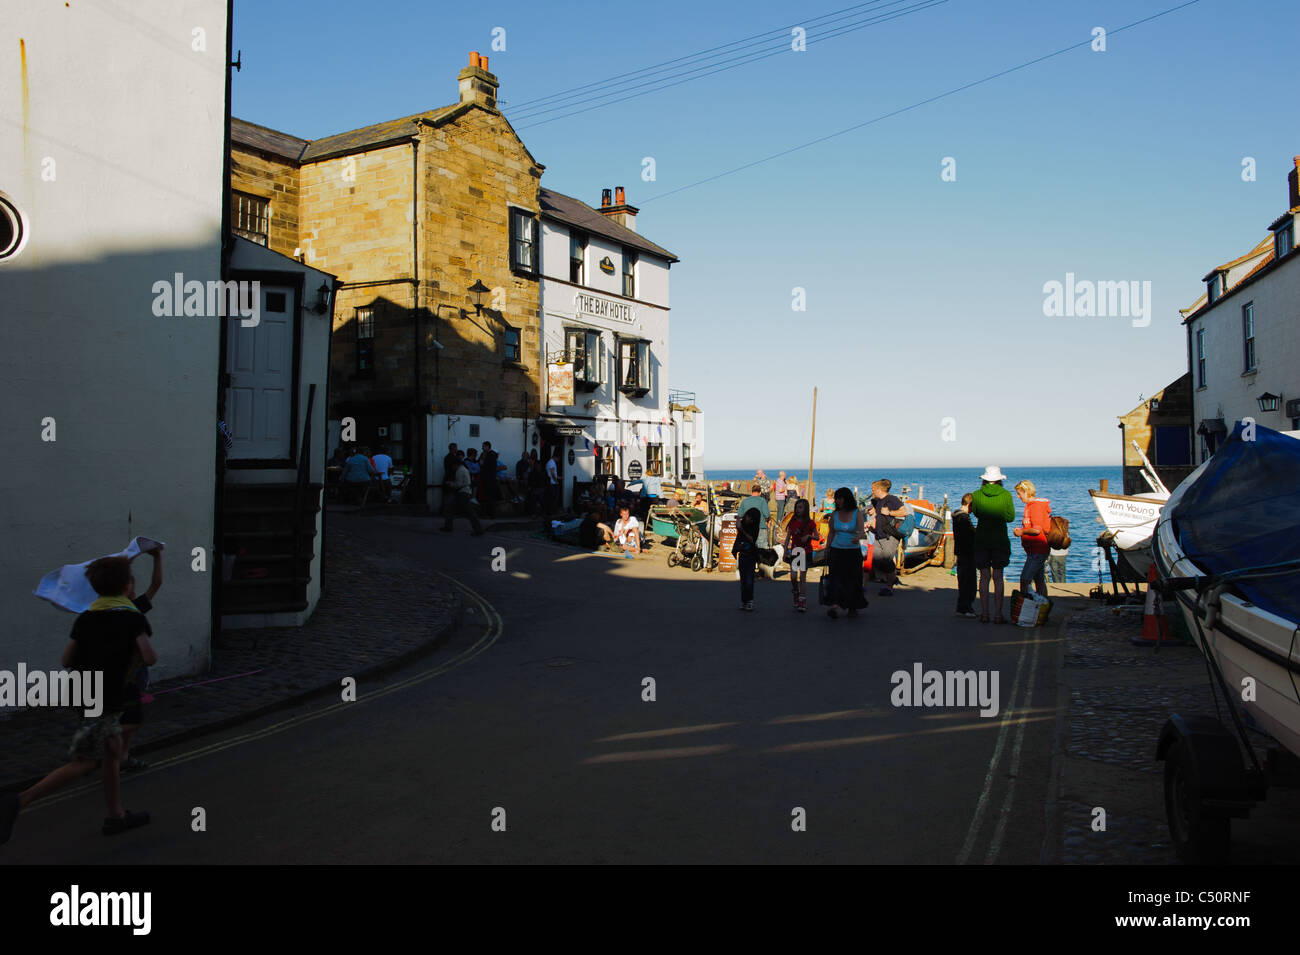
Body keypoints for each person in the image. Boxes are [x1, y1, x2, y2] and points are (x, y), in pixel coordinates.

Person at [1, 556, 158, 844]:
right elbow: (149, 656)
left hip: (83, 692)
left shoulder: (86, 617)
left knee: (110, 754)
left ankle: (116, 816)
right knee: (86, 761)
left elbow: (66, 660)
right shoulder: (132, 617)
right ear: (127, 586)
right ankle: (19, 800)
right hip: (107, 697)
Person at [119, 547, 163, 772]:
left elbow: (156, 585)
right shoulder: (132, 613)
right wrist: (156, 557)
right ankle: (116, 754)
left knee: (129, 719)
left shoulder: (131, 609)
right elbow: (156, 586)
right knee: (127, 719)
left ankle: (122, 755)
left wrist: (157, 557)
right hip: (125, 675)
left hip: (130, 674)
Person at [971, 466, 1016, 624]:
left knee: (983, 577)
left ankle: (984, 614)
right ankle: (998, 615)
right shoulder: (1006, 495)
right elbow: (1010, 517)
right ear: (999, 480)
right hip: (999, 538)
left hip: (982, 538)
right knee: (998, 577)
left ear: (984, 479)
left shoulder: (976, 495)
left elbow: (975, 512)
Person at [824, 487, 868, 619]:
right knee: (835, 579)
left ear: (847, 499)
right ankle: (834, 605)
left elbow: (862, 531)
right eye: (836, 498)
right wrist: (827, 548)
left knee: (853, 579)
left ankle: (852, 606)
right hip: (836, 550)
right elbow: (831, 532)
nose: (838, 501)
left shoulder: (856, 513)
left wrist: (858, 537)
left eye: (840, 498)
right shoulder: (834, 514)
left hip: (852, 551)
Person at [868, 479, 908, 597]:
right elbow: (878, 515)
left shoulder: (892, 499)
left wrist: (889, 512)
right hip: (878, 534)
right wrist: (871, 522)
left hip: (889, 536)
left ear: (879, 489)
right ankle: (891, 578)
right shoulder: (878, 501)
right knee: (876, 559)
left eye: (873, 489)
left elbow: (904, 512)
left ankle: (889, 586)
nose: (872, 491)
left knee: (887, 560)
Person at [1013, 479, 1052, 599]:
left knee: (1025, 579)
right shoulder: (1030, 506)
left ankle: (1025, 607)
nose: (1018, 496)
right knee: (1039, 579)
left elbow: (1037, 529)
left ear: (1026, 492)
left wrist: (1022, 531)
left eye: (1019, 493)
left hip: (1038, 550)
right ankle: (1041, 607)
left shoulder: (1035, 507)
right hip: (1033, 550)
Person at [783, 497, 820, 612]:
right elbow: (788, 537)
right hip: (795, 550)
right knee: (793, 576)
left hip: (805, 551)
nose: (798, 510)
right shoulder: (793, 522)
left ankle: (802, 600)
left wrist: (809, 536)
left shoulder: (810, 523)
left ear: (805, 509)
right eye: (797, 508)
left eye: (800, 507)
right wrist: (784, 552)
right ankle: (796, 591)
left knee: (802, 577)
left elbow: (817, 537)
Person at [441, 455, 484, 535]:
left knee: (469, 512)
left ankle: (478, 529)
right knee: (455, 509)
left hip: (462, 493)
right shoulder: (463, 469)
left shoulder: (459, 471)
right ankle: (448, 526)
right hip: (464, 492)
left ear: (455, 464)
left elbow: (459, 484)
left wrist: (451, 484)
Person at [737, 483, 772, 579]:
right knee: (761, 550)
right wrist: (768, 520)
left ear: (751, 492)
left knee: (748, 549)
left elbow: (740, 514)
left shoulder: (745, 501)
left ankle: (749, 570)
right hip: (760, 528)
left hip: (747, 529)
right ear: (760, 492)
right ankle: (762, 572)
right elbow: (767, 514)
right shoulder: (762, 501)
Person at [952, 493, 977, 618]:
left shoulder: (957, 516)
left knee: (963, 580)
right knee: (968, 581)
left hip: (961, 551)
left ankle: (963, 607)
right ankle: (965, 607)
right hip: (967, 551)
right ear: (969, 505)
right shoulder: (963, 518)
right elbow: (969, 535)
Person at [734, 506, 761, 611]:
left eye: (751, 518)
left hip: (751, 555)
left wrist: (743, 530)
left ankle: (749, 600)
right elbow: (738, 527)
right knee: (743, 580)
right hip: (742, 554)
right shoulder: (743, 524)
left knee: (749, 580)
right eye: (748, 517)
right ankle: (743, 600)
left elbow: (752, 539)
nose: (748, 519)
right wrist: (738, 520)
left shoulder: (754, 527)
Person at [479, 441, 500, 518]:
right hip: (487, 478)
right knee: (488, 497)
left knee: (489, 497)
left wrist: (483, 463)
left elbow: (487, 466)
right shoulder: (487, 455)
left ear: (487, 446)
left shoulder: (490, 455)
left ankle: (490, 514)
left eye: (483, 446)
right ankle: (489, 513)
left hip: (489, 479)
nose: (482, 448)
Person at [544, 450, 560, 515]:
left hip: (551, 482)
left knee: (552, 497)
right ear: (556, 457)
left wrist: (559, 478)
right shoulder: (551, 463)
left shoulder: (550, 462)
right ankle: (552, 512)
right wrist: (556, 481)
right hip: (552, 483)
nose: (558, 460)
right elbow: (552, 473)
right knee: (554, 498)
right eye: (558, 458)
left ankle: (551, 511)